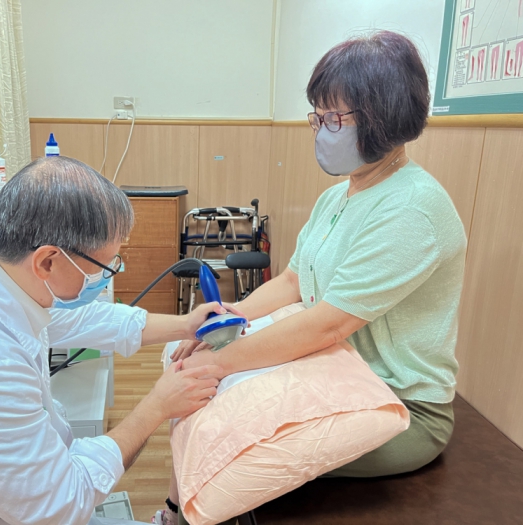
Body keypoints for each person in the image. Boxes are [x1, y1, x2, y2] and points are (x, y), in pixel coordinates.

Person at [166, 31, 467, 524]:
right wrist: (223, 318)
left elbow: (327, 324)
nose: (321, 131)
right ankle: (172, 512)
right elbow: (292, 281)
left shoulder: (412, 210)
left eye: (333, 118)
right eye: (318, 116)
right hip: (333, 371)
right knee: (197, 394)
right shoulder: (338, 196)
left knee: (219, 430)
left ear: (383, 118)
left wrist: (218, 363)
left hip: (396, 403)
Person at [0, 156, 238, 525]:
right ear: (47, 261)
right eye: (104, 266)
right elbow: (61, 508)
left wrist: (186, 325)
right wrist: (157, 406)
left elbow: (81, 318)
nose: (109, 275)